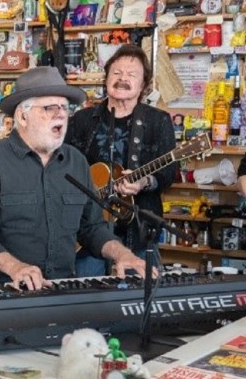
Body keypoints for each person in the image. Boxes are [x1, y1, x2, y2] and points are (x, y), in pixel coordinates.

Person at [0, 67, 151, 290]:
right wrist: (15, 267)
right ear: (22, 116)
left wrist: (123, 255)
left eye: (65, 108)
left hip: (58, 289)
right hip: (0, 290)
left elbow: (92, 228)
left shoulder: (76, 162)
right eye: (50, 107)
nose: (61, 114)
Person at [66, 44, 176, 277]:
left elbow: (168, 173)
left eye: (131, 75)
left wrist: (144, 182)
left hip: (138, 231)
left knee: (140, 294)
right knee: (88, 295)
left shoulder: (158, 121)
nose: (123, 79)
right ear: (106, 79)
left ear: (143, 85)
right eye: (116, 73)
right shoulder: (82, 120)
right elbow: (64, 166)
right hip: (87, 233)